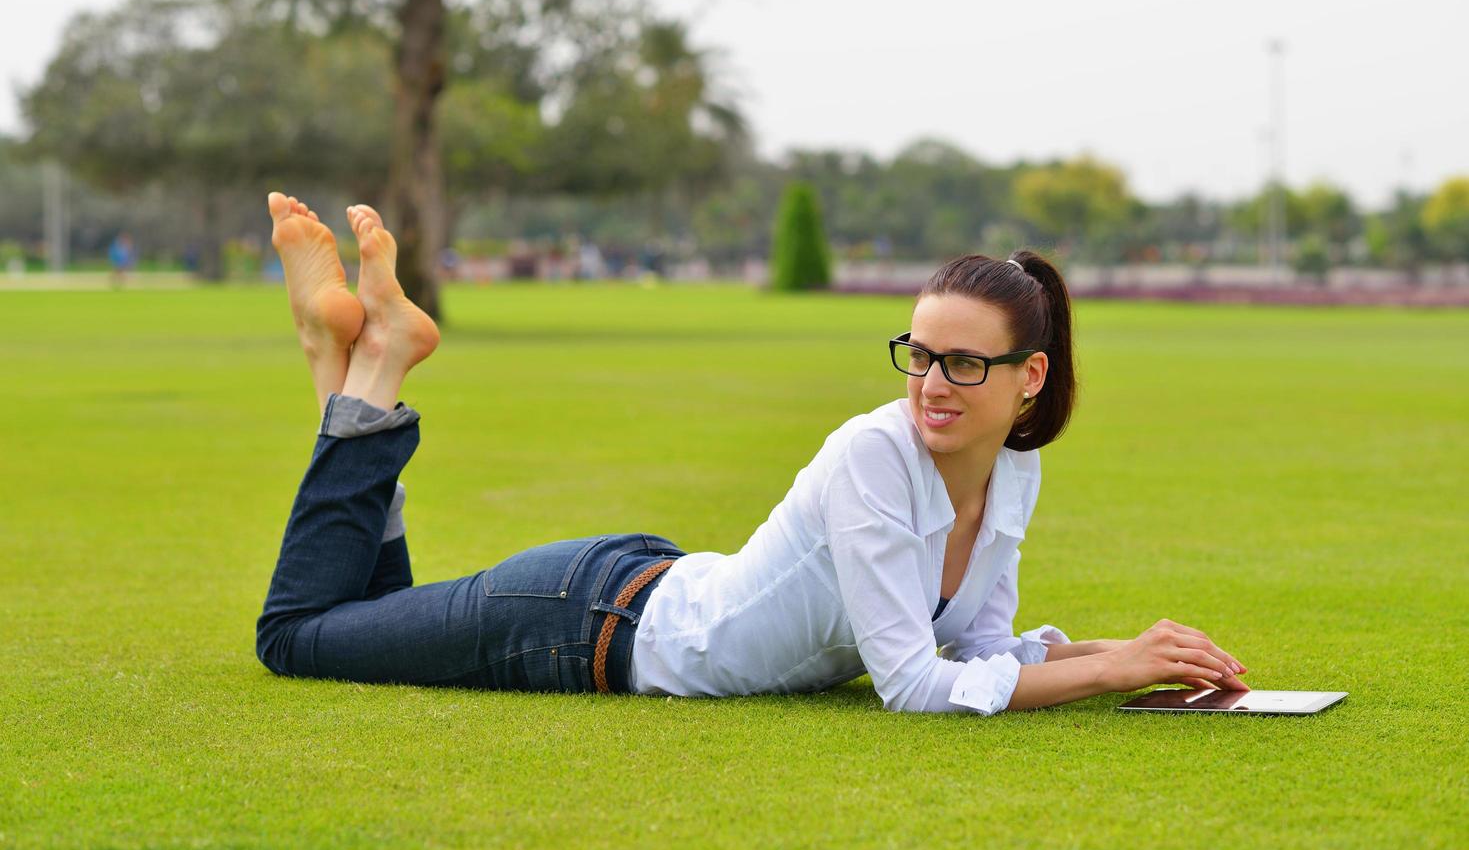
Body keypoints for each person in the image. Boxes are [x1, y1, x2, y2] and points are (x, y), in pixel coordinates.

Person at [256, 191, 1250, 713]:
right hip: (584, 623)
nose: (931, 383)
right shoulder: (873, 453)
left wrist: (1120, 655)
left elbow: (977, 653)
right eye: (918, 353)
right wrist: (1099, 671)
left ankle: (350, 361)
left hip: (638, 589)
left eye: (964, 363)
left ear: (1029, 377)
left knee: (357, 618)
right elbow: (909, 682)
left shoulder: (1010, 472)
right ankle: (363, 359)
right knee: (299, 634)